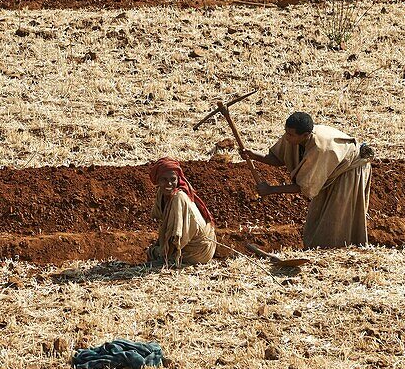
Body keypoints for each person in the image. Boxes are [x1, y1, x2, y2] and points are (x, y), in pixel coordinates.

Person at [243, 112, 373, 249]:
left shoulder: (320, 149)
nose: (286, 137)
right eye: (286, 132)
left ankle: (339, 250)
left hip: (349, 171)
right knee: (319, 215)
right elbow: (278, 158)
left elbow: (303, 186)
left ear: (305, 135)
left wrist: (271, 190)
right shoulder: (293, 136)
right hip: (331, 169)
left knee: (337, 217)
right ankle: (318, 248)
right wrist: (254, 155)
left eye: (290, 135)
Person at [146, 157, 216, 266]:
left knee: (152, 253)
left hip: (198, 251)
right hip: (189, 246)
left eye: (172, 179)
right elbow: (163, 222)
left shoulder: (179, 197)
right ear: (157, 181)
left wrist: (163, 256)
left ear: (178, 179)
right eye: (164, 179)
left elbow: (177, 235)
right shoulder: (162, 193)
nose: (169, 184)